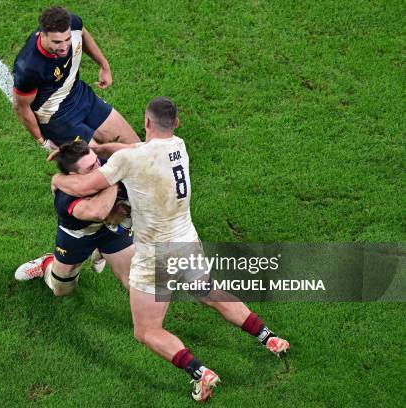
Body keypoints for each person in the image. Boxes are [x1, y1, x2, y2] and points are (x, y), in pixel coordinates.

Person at [51, 97, 290, 403]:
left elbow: (88, 190)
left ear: (146, 123)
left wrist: (58, 178)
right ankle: (269, 338)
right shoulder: (178, 145)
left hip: (155, 254)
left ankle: (200, 373)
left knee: (147, 331)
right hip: (186, 240)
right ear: (175, 123)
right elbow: (134, 151)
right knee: (210, 294)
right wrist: (99, 149)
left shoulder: (128, 162)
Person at [14, 140, 134, 296]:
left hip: (113, 231)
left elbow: (140, 148)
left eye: (96, 159)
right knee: (61, 290)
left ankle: (104, 251)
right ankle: (46, 264)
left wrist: (99, 149)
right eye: (91, 167)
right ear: (73, 175)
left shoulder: (104, 163)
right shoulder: (65, 197)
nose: (99, 167)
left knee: (138, 282)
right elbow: (98, 212)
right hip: (79, 236)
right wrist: (114, 178)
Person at [12, 6, 140, 151]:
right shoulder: (29, 67)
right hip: (57, 118)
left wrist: (104, 65)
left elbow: (83, 34)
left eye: (67, 39)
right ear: (42, 35)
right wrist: (43, 141)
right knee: (99, 165)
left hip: (81, 95)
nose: (65, 47)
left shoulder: (73, 24)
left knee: (136, 147)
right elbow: (21, 107)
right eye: (57, 42)